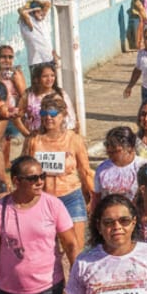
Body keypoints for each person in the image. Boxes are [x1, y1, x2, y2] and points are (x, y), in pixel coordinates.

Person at [0, 156, 80, 294]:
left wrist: (77, 283)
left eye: (42, 176)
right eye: (33, 178)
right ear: (16, 181)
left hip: (47, 288)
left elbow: (71, 245)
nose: (40, 182)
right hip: (10, 289)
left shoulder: (53, 205)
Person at [27, 93, 93, 249]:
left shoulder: (74, 139)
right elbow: (25, 169)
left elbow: (85, 171)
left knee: (75, 246)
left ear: (63, 115)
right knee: (46, 247)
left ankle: (76, 274)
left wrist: (91, 196)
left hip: (71, 196)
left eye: (53, 114)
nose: (48, 118)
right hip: (42, 198)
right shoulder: (33, 140)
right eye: (44, 113)